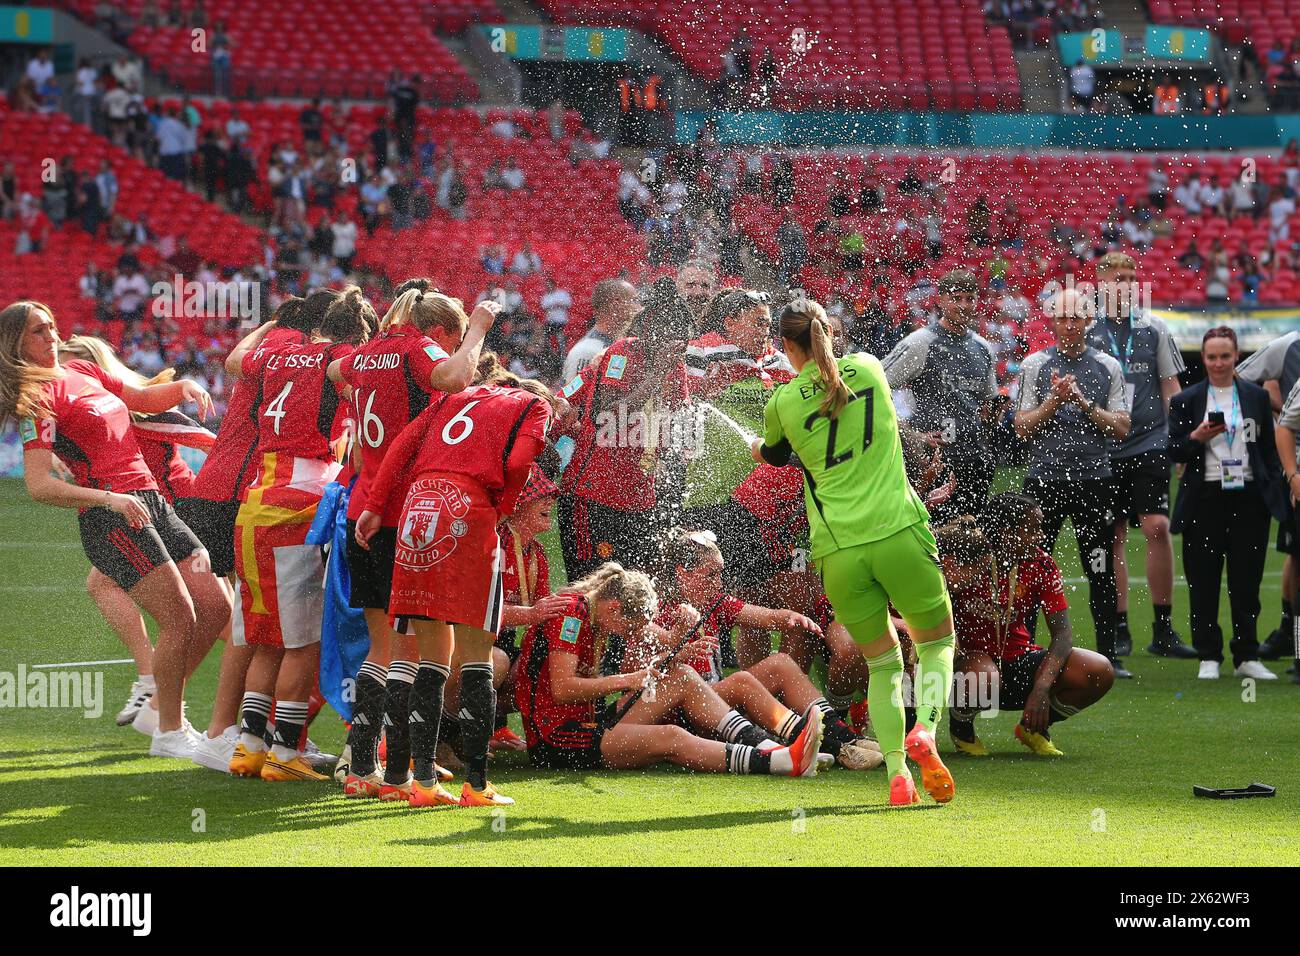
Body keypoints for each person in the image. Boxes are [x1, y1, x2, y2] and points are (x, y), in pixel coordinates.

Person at [750, 296, 957, 807]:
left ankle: (897, 777)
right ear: (829, 332)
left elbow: (776, 455)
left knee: (882, 664)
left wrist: (757, 448)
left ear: (785, 347)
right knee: (935, 645)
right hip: (900, 531)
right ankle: (926, 730)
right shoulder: (867, 368)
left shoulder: (780, 402)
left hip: (838, 551)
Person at [1, 301, 226, 757]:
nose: (52, 336)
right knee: (181, 617)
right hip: (113, 514)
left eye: (53, 326)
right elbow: (40, 485)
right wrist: (109, 498)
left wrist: (181, 387)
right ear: (16, 345)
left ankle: (162, 712)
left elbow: (139, 400)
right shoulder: (37, 399)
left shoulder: (82, 367)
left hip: (152, 501)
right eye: (39, 332)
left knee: (217, 605)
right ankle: (169, 731)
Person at [354, 360, 553, 807]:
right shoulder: (533, 405)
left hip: (415, 507)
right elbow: (521, 459)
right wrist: (502, 504)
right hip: (468, 509)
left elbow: (401, 447)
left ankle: (421, 783)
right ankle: (477, 786)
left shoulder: (450, 398)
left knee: (429, 657)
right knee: (476, 656)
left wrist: (373, 506)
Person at [328, 282, 497, 795]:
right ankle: (411, 774)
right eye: (455, 336)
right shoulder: (414, 346)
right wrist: (480, 330)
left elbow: (335, 370)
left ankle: (362, 768)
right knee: (426, 651)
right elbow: (451, 375)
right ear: (441, 331)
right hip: (406, 514)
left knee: (381, 649)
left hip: (361, 507)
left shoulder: (368, 353)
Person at [224, 288, 373, 781]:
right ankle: (285, 754)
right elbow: (360, 380)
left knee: (266, 640)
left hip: (255, 501)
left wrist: (272, 322)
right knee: (303, 641)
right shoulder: (339, 358)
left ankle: (248, 749)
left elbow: (234, 360)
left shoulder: (278, 354)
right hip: (299, 505)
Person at [515, 562, 824, 775]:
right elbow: (563, 689)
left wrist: (675, 646)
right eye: (628, 627)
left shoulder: (598, 610)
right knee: (672, 736)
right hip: (557, 740)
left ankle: (774, 748)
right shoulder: (573, 614)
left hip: (589, 723)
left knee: (684, 677)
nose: (627, 634)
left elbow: (662, 642)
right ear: (614, 608)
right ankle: (778, 760)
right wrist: (629, 679)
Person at [58, 335, 222, 728]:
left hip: (184, 511)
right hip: (146, 516)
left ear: (93, 366)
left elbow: (202, 439)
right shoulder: (87, 414)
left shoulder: (133, 410)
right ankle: (160, 694)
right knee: (105, 585)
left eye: (68, 362)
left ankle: (240, 720)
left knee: (229, 623)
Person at [654, 528, 881, 769]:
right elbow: (641, 673)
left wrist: (790, 616)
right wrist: (677, 655)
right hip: (685, 714)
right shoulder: (659, 610)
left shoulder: (715, 602)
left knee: (780, 663)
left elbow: (762, 616)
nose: (719, 582)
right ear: (683, 574)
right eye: (710, 575)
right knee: (741, 680)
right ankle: (838, 746)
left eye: (720, 574)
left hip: (717, 706)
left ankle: (843, 736)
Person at [1015, 288, 1132, 677]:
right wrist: (1053, 401)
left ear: (1088, 321)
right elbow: (1022, 428)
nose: (1069, 324)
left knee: (1099, 567)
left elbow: (1121, 428)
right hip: (1044, 481)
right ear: (1052, 321)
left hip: (1092, 479)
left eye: (1077, 317)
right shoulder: (1034, 365)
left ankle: (1108, 655)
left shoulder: (1107, 366)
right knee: (1030, 566)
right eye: (1063, 317)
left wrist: (1083, 403)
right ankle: (1023, 651)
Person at [940, 498, 1115, 757]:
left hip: (1019, 659)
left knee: (1099, 670)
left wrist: (1041, 689)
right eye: (1033, 529)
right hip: (969, 666)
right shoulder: (969, 560)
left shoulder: (1042, 564)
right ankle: (961, 729)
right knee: (984, 676)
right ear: (1006, 534)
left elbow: (1063, 635)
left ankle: (1033, 727)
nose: (1041, 536)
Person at [1088, 253, 1194, 660]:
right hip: (1105, 446)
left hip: (1149, 442)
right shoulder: (1089, 329)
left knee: (1157, 527)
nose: (1128, 284)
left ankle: (1163, 627)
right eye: (1119, 278)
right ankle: (1118, 628)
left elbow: (1171, 387)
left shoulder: (1154, 328)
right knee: (1113, 535)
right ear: (1101, 283)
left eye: (1133, 277)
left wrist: (1180, 439)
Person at [1169, 327, 1285, 681]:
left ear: (1236, 357)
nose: (1218, 363)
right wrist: (1196, 438)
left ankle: (1246, 654)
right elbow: (1173, 449)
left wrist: (1268, 486)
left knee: (1246, 580)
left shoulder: (1255, 397)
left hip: (1249, 498)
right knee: (1203, 580)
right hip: (1204, 498)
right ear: (1202, 359)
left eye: (1225, 356)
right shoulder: (1186, 400)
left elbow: (1267, 448)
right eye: (1211, 356)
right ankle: (1209, 654)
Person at [557, 278, 692, 579]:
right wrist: (653, 379)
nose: (674, 347)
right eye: (669, 336)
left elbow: (678, 418)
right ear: (651, 333)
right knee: (591, 587)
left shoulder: (675, 365)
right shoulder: (623, 352)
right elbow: (606, 412)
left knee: (634, 590)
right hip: (594, 496)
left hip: (640, 498)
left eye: (681, 340)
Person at [883, 269, 1001, 521]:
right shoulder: (920, 342)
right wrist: (909, 433)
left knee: (972, 541)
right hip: (933, 461)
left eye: (970, 298)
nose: (964, 305)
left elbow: (987, 403)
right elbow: (874, 385)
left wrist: (990, 420)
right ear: (940, 300)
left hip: (974, 461)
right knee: (932, 540)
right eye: (956, 298)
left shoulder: (983, 347)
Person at [1234, 328, 1300, 659]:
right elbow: (1240, 377)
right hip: (1297, 466)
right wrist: (1281, 407)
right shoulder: (1287, 345)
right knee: (1297, 553)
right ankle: (1291, 629)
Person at [561, 278, 639, 382]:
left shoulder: (619, 344)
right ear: (615, 305)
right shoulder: (588, 351)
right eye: (634, 301)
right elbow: (572, 397)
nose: (639, 307)